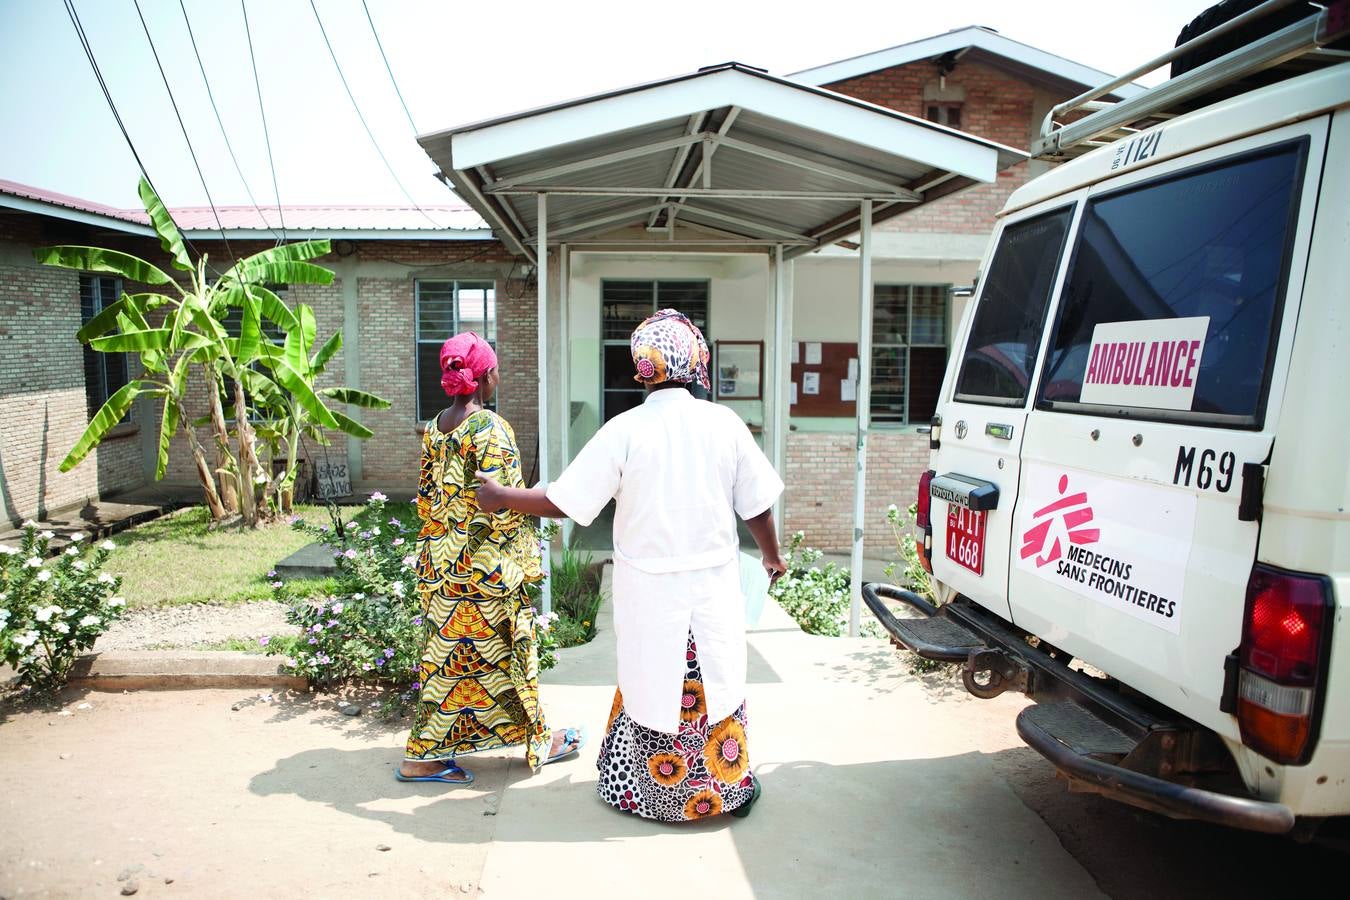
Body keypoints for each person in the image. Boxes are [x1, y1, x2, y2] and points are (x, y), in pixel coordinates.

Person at [476, 309, 788, 820]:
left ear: (642, 368)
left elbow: (567, 500)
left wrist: (502, 496)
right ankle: (727, 791)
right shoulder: (724, 424)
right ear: (693, 362)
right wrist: (772, 555)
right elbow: (756, 505)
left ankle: (642, 793)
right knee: (715, 683)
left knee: (652, 685)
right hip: (711, 590)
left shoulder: (625, 429)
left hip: (651, 596)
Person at [396, 331, 582, 785]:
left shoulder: (436, 427)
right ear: (484, 377)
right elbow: (501, 505)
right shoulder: (491, 429)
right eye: (496, 369)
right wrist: (521, 561)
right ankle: (535, 741)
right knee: (513, 654)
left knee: (449, 661)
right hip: (484, 570)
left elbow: (424, 500)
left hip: (441, 564)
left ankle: (433, 754)